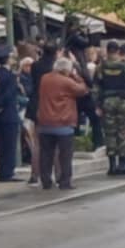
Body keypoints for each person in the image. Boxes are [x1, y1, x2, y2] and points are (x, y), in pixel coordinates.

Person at [34, 55, 88, 190]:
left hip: (45, 123)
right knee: (65, 155)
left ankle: (46, 180)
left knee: (46, 154)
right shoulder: (66, 82)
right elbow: (83, 90)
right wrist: (76, 76)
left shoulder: (44, 79)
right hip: (63, 124)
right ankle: (65, 181)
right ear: (66, 70)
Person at [94, 41, 125, 177]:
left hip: (107, 102)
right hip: (124, 102)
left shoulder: (101, 67)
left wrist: (97, 104)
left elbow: (96, 87)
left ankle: (112, 165)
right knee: (124, 132)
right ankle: (124, 164)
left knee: (110, 133)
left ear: (107, 51)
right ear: (118, 51)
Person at [0, 51, 25, 183]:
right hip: (8, 113)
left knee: (1, 143)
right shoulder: (10, 76)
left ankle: (3, 170)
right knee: (9, 145)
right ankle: (7, 172)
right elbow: (9, 95)